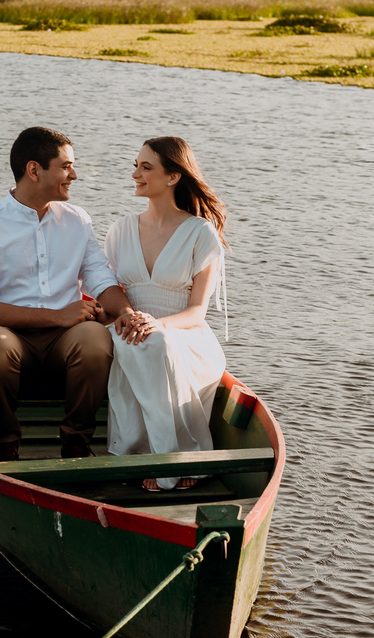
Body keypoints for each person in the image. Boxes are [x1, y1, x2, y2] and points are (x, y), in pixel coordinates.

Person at [0, 127, 135, 462]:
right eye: (66, 166)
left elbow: (100, 277)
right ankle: (5, 439)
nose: (75, 175)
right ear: (34, 170)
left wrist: (125, 310)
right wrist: (57, 316)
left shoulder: (77, 220)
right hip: (9, 338)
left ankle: (77, 442)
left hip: (66, 342)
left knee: (96, 339)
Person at [106, 137, 229, 491]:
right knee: (137, 339)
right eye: (136, 165)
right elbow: (110, 293)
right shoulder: (120, 230)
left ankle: (171, 460)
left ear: (173, 177)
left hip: (185, 335)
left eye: (146, 167)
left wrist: (157, 323)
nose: (135, 174)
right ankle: (158, 456)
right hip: (130, 328)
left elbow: (197, 311)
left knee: (156, 341)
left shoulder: (200, 232)